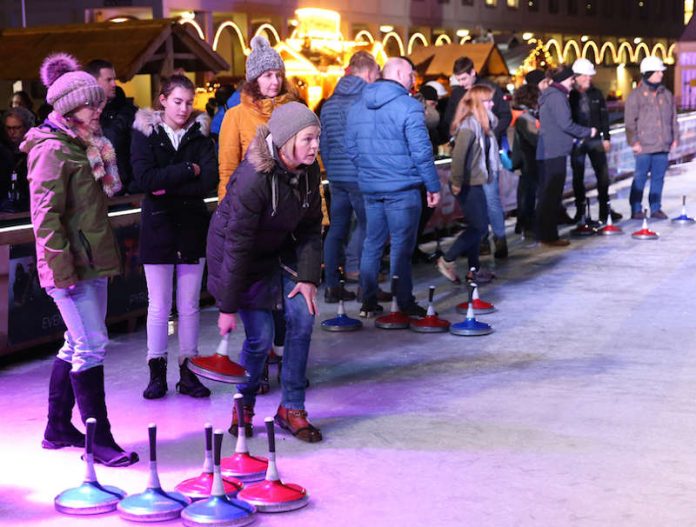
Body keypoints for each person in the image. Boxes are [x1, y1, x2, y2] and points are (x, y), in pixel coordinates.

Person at [23, 52, 137, 466]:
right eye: (91, 103)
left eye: (99, 101)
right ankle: (99, 438)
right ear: (68, 108)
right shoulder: (51, 149)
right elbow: (45, 219)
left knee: (77, 343)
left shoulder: (84, 144)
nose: (98, 108)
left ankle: (56, 427)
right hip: (70, 267)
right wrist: (61, 272)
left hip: (92, 260)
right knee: (92, 346)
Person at [207, 102, 323, 443]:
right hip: (242, 259)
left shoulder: (309, 169)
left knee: (303, 318)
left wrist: (307, 277)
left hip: (281, 252)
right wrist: (227, 306)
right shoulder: (252, 178)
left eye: (317, 138)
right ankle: (243, 405)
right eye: (308, 139)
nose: (315, 146)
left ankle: (292, 408)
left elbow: (311, 227)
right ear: (286, 140)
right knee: (260, 337)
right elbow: (237, 245)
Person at [130, 75, 217, 400]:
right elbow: (145, 179)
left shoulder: (202, 137)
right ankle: (156, 372)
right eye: (177, 101)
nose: (183, 108)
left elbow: (208, 179)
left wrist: (170, 183)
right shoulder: (146, 134)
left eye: (188, 102)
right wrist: (186, 171)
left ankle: (189, 372)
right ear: (163, 99)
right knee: (159, 305)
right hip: (158, 226)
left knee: (190, 305)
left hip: (193, 227)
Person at [345, 57, 441, 318]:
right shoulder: (408, 106)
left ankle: (368, 299)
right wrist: (432, 185)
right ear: (398, 73)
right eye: (411, 75)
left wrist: (369, 169)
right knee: (401, 247)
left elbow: (350, 148)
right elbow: (422, 152)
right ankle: (403, 302)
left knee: (372, 243)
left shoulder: (357, 106)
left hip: (371, 188)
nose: (414, 80)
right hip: (403, 188)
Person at [320, 51, 379, 303]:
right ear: (367, 73)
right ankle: (367, 287)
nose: (377, 79)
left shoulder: (329, 102)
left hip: (336, 176)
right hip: (360, 174)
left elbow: (323, 142)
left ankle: (332, 286)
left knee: (337, 229)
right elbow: (369, 140)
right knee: (371, 228)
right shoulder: (365, 98)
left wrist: (333, 169)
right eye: (376, 74)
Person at [442, 57, 511, 258]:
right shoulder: (457, 94)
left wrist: (491, 133)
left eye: (464, 78)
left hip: (486, 156)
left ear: (473, 72)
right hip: (471, 159)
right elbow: (450, 120)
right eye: (458, 79)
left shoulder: (489, 89)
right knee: (477, 206)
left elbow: (504, 115)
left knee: (491, 200)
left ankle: (499, 238)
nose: (461, 83)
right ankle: (480, 242)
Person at [218, 35, 294, 200]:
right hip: (253, 204)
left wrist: (319, 217)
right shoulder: (235, 116)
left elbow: (310, 168)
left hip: (290, 206)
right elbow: (228, 170)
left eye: (278, 75)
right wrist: (225, 216)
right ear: (254, 80)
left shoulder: (294, 112)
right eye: (267, 75)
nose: (275, 81)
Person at [436, 85, 498, 284]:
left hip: (476, 181)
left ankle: (473, 270)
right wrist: (456, 183)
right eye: (488, 101)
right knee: (479, 227)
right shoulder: (469, 127)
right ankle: (447, 259)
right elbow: (459, 157)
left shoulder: (481, 124)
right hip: (467, 183)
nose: (493, 104)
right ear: (479, 103)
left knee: (476, 225)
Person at [536, 65, 595, 247]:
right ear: (564, 79)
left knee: (549, 194)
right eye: (571, 79)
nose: (573, 82)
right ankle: (548, 235)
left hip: (551, 150)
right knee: (551, 195)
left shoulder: (553, 95)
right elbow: (565, 124)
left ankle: (544, 233)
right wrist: (587, 131)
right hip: (554, 150)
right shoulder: (557, 97)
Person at [624, 56, 679, 220]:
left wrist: (675, 137)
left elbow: (673, 118)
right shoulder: (636, 96)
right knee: (640, 178)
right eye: (658, 72)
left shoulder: (666, 95)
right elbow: (629, 121)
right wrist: (633, 141)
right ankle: (636, 208)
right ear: (648, 73)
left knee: (658, 178)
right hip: (644, 146)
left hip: (662, 145)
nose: (661, 74)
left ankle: (655, 207)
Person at [569, 58, 622, 223]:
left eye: (589, 76)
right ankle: (581, 211)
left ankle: (604, 210)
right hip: (576, 141)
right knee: (578, 177)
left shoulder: (596, 93)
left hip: (595, 140)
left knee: (603, 176)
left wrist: (606, 137)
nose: (588, 79)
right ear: (576, 77)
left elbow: (603, 117)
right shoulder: (570, 95)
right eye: (584, 76)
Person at [85, 60, 138, 194]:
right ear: (93, 82)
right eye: (108, 80)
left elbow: (138, 152)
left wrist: (133, 187)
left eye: (114, 79)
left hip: (124, 191)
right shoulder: (83, 114)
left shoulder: (128, 113)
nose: (114, 84)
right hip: (93, 193)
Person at [510, 83, 540, 238]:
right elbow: (534, 137)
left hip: (524, 159)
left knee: (525, 191)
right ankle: (526, 224)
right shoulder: (524, 115)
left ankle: (522, 223)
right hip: (528, 159)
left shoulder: (520, 113)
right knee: (527, 193)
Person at [2, 107, 34, 211]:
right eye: (8, 128)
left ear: (27, 127)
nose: (12, 132)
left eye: (16, 128)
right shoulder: (3, 152)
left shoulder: (35, 151)